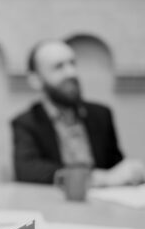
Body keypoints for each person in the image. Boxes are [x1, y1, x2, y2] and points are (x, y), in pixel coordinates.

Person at [11, 39, 145, 186]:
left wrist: (130, 172)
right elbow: (27, 171)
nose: (71, 72)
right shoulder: (27, 122)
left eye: (72, 63)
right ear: (36, 80)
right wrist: (95, 178)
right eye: (59, 67)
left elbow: (115, 165)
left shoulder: (101, 115)